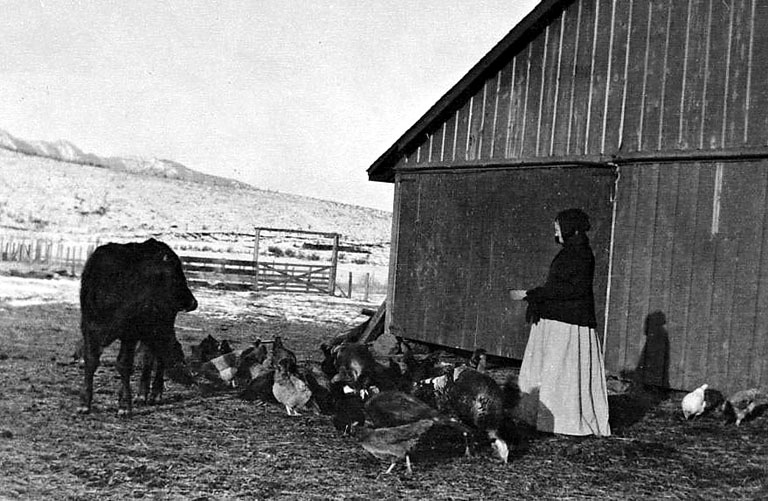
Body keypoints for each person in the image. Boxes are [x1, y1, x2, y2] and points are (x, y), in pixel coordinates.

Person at [510, 208, 611, 437]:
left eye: (558, 229)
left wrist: (534, 293)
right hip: (556, 320)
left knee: (561, 374)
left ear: (570, 228)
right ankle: (541, 417)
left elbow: (573, 289)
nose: (556, 234)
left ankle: (563, 421)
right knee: (549, 371)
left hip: (569, 324)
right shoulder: (569, 252)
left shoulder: (581, 254)